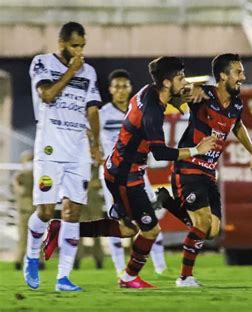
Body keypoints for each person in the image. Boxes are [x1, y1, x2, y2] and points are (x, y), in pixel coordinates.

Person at [43, 56, 217, 289]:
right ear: (166, 82)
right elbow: (160, 153)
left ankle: (61, 227)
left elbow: (177, 98)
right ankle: (128, 277)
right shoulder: (153, 112)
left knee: (127, 229)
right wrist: (197, 149)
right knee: (150, 229)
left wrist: (193, 92)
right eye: (180, 78)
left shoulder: (149, 91)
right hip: (125, 176)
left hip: (120, 171)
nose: (183, 82)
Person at [157, 53, 252, 287]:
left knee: (212, 230)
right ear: (223, 76)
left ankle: (167, 203)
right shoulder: (203, 95)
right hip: (188, 169)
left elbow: (237, 125)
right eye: (238, 72)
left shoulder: (236, 103)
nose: (243, 77)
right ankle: (185, 278)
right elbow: (173, 96)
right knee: (202, 224)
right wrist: (189, 89)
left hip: (208, 173)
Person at [24, 21, 102, 291]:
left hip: (77, 149)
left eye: (82, 46)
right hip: (50, 148)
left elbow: (92, 109)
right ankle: (32, 256)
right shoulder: (42, 62)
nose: (79, 51)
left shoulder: (89, 72)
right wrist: (71, 70)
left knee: (72, 212)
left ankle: (63, 278)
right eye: (74, 46)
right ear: (61, 43)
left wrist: (95, 143)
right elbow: (47, 95)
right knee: (45, 212)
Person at [99, 69, 167, 276]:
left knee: (150, 213)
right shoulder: (102, 114)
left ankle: (160, 267)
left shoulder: (136, 112)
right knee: (117, 218)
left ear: (130, 89)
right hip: (114, 172)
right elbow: (90, 140)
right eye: (116, 86)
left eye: (124, 86)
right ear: (110, 90)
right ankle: (120, 267)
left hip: (137, 170)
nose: (120, 90)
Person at [12, 150, 43, 270]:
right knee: (26, 236)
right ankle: (20, 260)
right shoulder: (21, 176)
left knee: (33, 236)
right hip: (27, 210)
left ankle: (35, 261)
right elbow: (20, 192)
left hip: (33, 210)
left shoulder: (35, 175)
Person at [74, 163, 104, 270]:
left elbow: (102, 183)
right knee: (79, 233)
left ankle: (99, 260)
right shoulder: (78, 168)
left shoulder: (99, 168)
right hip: (81, 205)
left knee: (97, 234)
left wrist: (88, 184)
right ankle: (77, 260)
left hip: (95, 205)